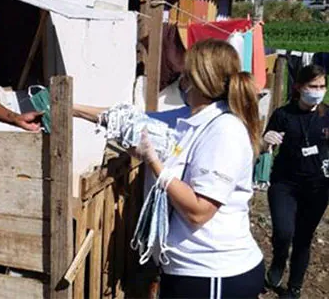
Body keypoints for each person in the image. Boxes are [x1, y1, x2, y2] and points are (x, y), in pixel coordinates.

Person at [76, 39, 264, 298]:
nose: (180, 77)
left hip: (215, 274)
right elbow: (127, 119)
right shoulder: (186, 118)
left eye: (185, 71)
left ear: (196, 78)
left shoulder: (225, 131)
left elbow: (199, 211)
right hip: (185, 269)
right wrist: (68, 107)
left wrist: (154, 162)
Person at [262, 65, 329, 299]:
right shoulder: (283, 115)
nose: (318, 91)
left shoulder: (326, 115)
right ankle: (279, 260)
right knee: (283, 231)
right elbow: (263, 145)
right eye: (313, 86)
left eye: (322, 86)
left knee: (303, 238)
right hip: (285, 184)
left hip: (318, 187)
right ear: (299, 87)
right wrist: (266, 140)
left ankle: (294, 288)